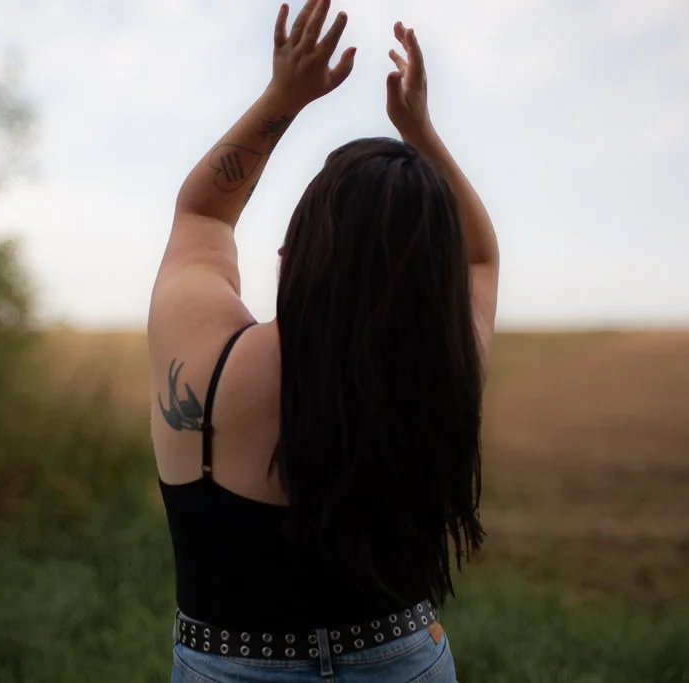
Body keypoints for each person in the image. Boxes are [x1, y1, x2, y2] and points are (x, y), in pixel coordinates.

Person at [147, 0, 499, 680]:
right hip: (405, 660)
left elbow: (204, 210)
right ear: (435, 272)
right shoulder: (445, 365)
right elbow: (481, 260)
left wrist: (286, 94)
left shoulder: (207, 361)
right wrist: (421, 135)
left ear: (300, 244)